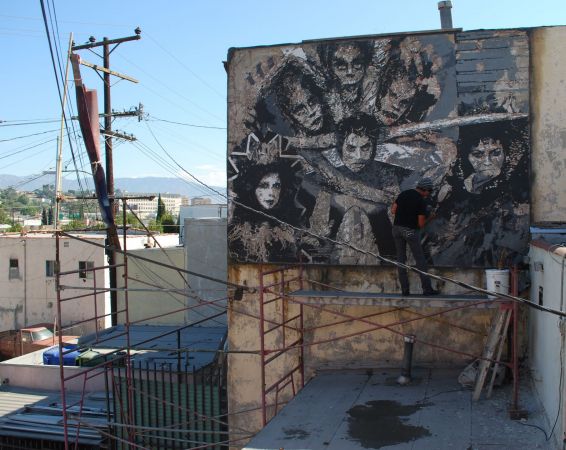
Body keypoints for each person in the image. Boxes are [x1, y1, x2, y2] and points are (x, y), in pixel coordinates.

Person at [391, 177, 439, 295]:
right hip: (410, 231)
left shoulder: (404, 193)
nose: (429, 193)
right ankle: (427, 289)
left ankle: (405, 290)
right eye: (430, 191)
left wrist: (405, 212)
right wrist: (430, 218)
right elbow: (421, 224)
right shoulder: (421, 201)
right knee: (420, 259)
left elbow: (393, 210)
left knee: (401, 260)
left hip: (396, 229)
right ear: (426, 190)